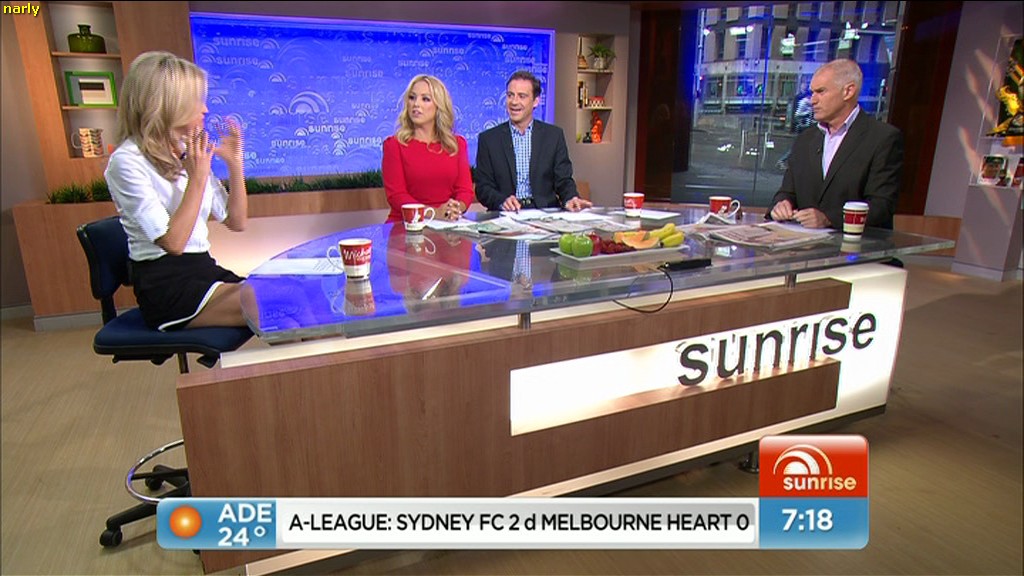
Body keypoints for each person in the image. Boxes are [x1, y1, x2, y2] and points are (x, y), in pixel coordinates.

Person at [105, 51, 249, 331]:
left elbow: (237, 222)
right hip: (166, 285)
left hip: (203, 270)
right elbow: (173, 243)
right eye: (197, 101)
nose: (205, 110)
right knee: (271, 304)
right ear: (168, 103)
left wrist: (235, 163)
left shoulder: (185, 151)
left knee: (289, 296)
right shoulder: (126, 161)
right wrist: (197, 178)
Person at [768, 59, 903, 230]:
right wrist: (782, 204)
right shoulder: (806, 139)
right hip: (803, 243)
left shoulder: (882, 138)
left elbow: (881, 206)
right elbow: (787, 191)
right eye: (812, 92)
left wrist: (828, 219)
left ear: (848, 91)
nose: (812, 100)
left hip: (855, 243)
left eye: (821, 92)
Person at [475, 70, 592, 212]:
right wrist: (501, 201)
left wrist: (571, 198)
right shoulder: (489, 139)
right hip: (506, 215)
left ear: (536, 101)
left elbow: (564, 180)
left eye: (522, 96)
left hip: (544, 213)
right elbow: (483, 188)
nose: (514, 102)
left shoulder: (553, 136)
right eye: (510, 95)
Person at [382, 74, 475, 223]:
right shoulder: (394, 145)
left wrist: (455, 209)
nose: (416, 104)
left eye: (425, 99)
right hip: (406, 225)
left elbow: (465, 190)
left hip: (447, 223)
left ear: (439, 106)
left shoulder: (456, 144)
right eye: (412, 98)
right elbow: (397, 196)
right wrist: (434, 213)